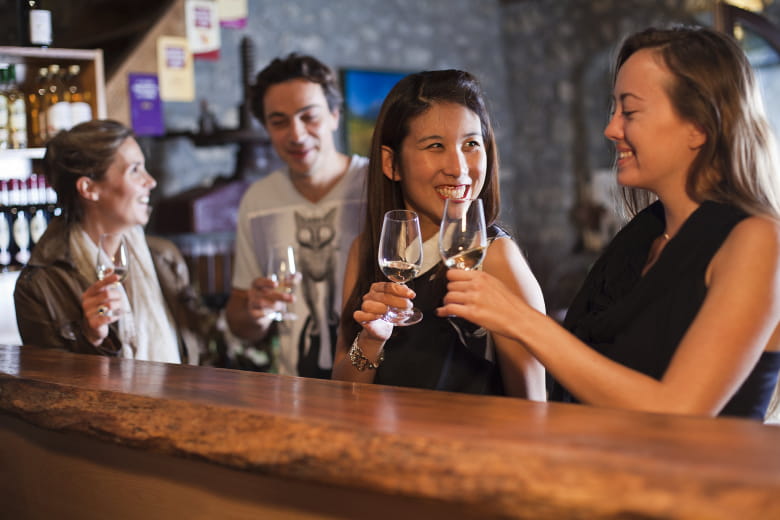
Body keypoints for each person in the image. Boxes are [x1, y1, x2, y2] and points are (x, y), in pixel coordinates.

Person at [438, 26, 780, 420]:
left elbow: (681, 410)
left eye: (630, 111)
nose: (611, 129)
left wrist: (518, 319)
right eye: (614, 109)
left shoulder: (757, 239)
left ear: (699, 126)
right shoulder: (641, 235)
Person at [331, 69, 546, 399]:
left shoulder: (496, 257)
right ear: (391, 164)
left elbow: (533, 408)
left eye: (471, 144)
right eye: (435, 145)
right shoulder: (368, 250)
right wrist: (371, 340)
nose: (458, 167)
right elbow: (342, 396)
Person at [14, 120, 215, 363]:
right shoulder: (38, 286)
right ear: (89, 188)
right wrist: (91, 339)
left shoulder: (164, 256)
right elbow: (49, 392)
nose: (150, 182)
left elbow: (203, 346)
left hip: (180, 399)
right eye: (135, 170)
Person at [226, 53, 368, 378]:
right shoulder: (258, 200)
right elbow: (240, 322)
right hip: (297, 390)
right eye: (279, 122)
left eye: (309, 117)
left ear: (335, 115)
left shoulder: (376, 185)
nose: (296, 134)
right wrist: (255, 311)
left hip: (382, 387)